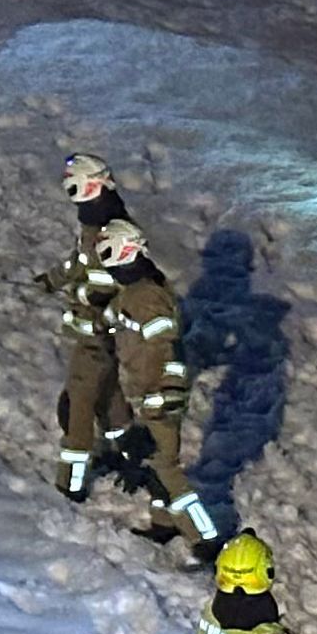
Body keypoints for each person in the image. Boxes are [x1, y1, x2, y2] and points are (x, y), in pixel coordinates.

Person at [96, 221, 219, 555]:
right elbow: (126, 325)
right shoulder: (139, 291)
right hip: (150, 391)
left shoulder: (147, 296)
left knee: (166, 468)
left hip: (159, 394)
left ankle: (204, 537)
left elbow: (165, 345)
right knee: (156, 462)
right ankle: (164, 523)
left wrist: (163, 394)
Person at [41, 155, 129, 502]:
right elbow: (80, 261)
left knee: (79, 405)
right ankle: (131, 455)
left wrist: (86, 298)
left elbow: (125, 284)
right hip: (93, 336)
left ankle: (71, 482)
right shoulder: (94, 227)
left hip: (97, 336)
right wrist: (53, 279)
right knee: (110, 399)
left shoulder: (115, 232)